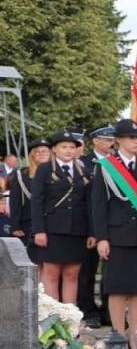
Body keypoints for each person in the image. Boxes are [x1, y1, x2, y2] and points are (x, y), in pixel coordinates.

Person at [88, 120, 137, 346]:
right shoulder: (105, 166)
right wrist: (102, 237)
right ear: (119, 140)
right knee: (117, 289)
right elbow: (99, 205)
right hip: (117, 237)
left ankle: (136, 338)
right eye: (131, 137)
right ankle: (117, 336)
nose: (136, 141)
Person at [29, 131, 92, 305]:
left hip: (77, 230)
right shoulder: (45, 169)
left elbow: (89, 204)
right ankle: (53, 316)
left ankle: (70, 316)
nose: (69, 150)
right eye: (64, 147)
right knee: (51, 273)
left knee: (72, 274)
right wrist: (39, 230)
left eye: (72, 147)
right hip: (52, 230)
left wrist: (92, 232)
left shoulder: (83, 171)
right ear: (54, 149)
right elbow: (37, 202)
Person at [78, 125, 117, 326]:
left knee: (112, 272)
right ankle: (88, 311)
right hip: (90, 225)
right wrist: (92, 230)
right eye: (107, 140)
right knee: (87, 271)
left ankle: (109, 311)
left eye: (113, 140)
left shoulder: (117, 163)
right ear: (95, 141)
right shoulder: (83, 163)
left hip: (115, 225)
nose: (111, 143)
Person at [9, 140, 50, 263]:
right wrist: (14, 225)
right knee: (32, 262)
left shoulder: (58, 173)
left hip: (53, 223)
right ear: (32, 155)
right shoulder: (21, 174)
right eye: (37, 151)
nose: (41, 153)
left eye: (45, 151)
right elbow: (15, 201)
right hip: (28, 223)